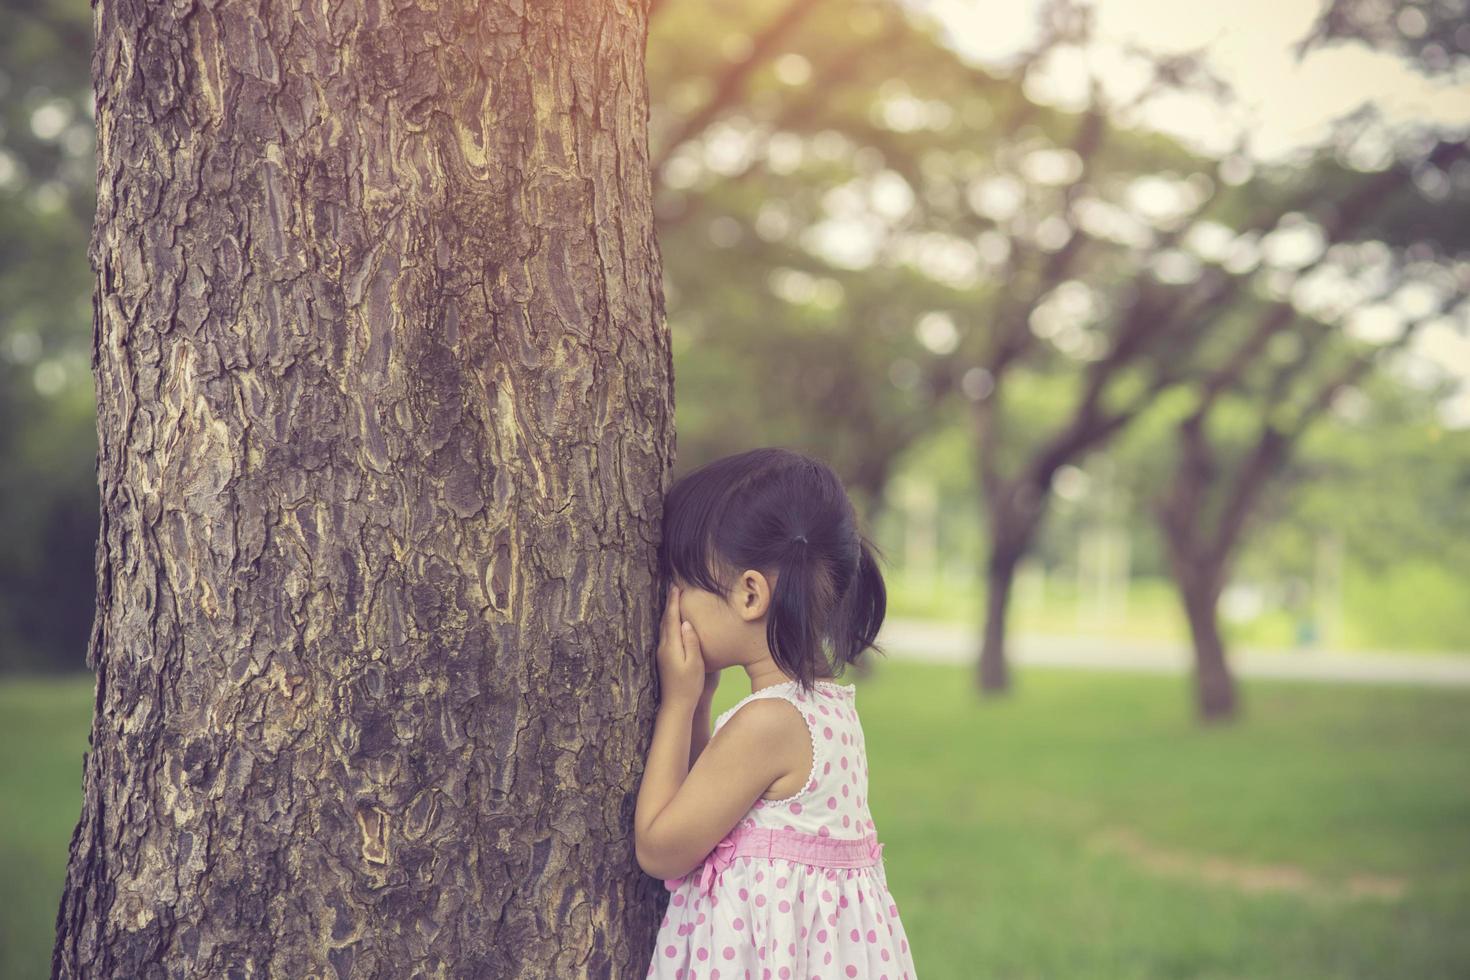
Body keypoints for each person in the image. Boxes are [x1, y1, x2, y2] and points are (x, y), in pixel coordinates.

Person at [635, 447, 917, 979]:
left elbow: (662, 848)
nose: (670, 600)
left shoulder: (766, 723)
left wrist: (675, 704)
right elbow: (707, 806)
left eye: (682, 581)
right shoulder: (825, 709)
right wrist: (699, 703)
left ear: (749, 594)